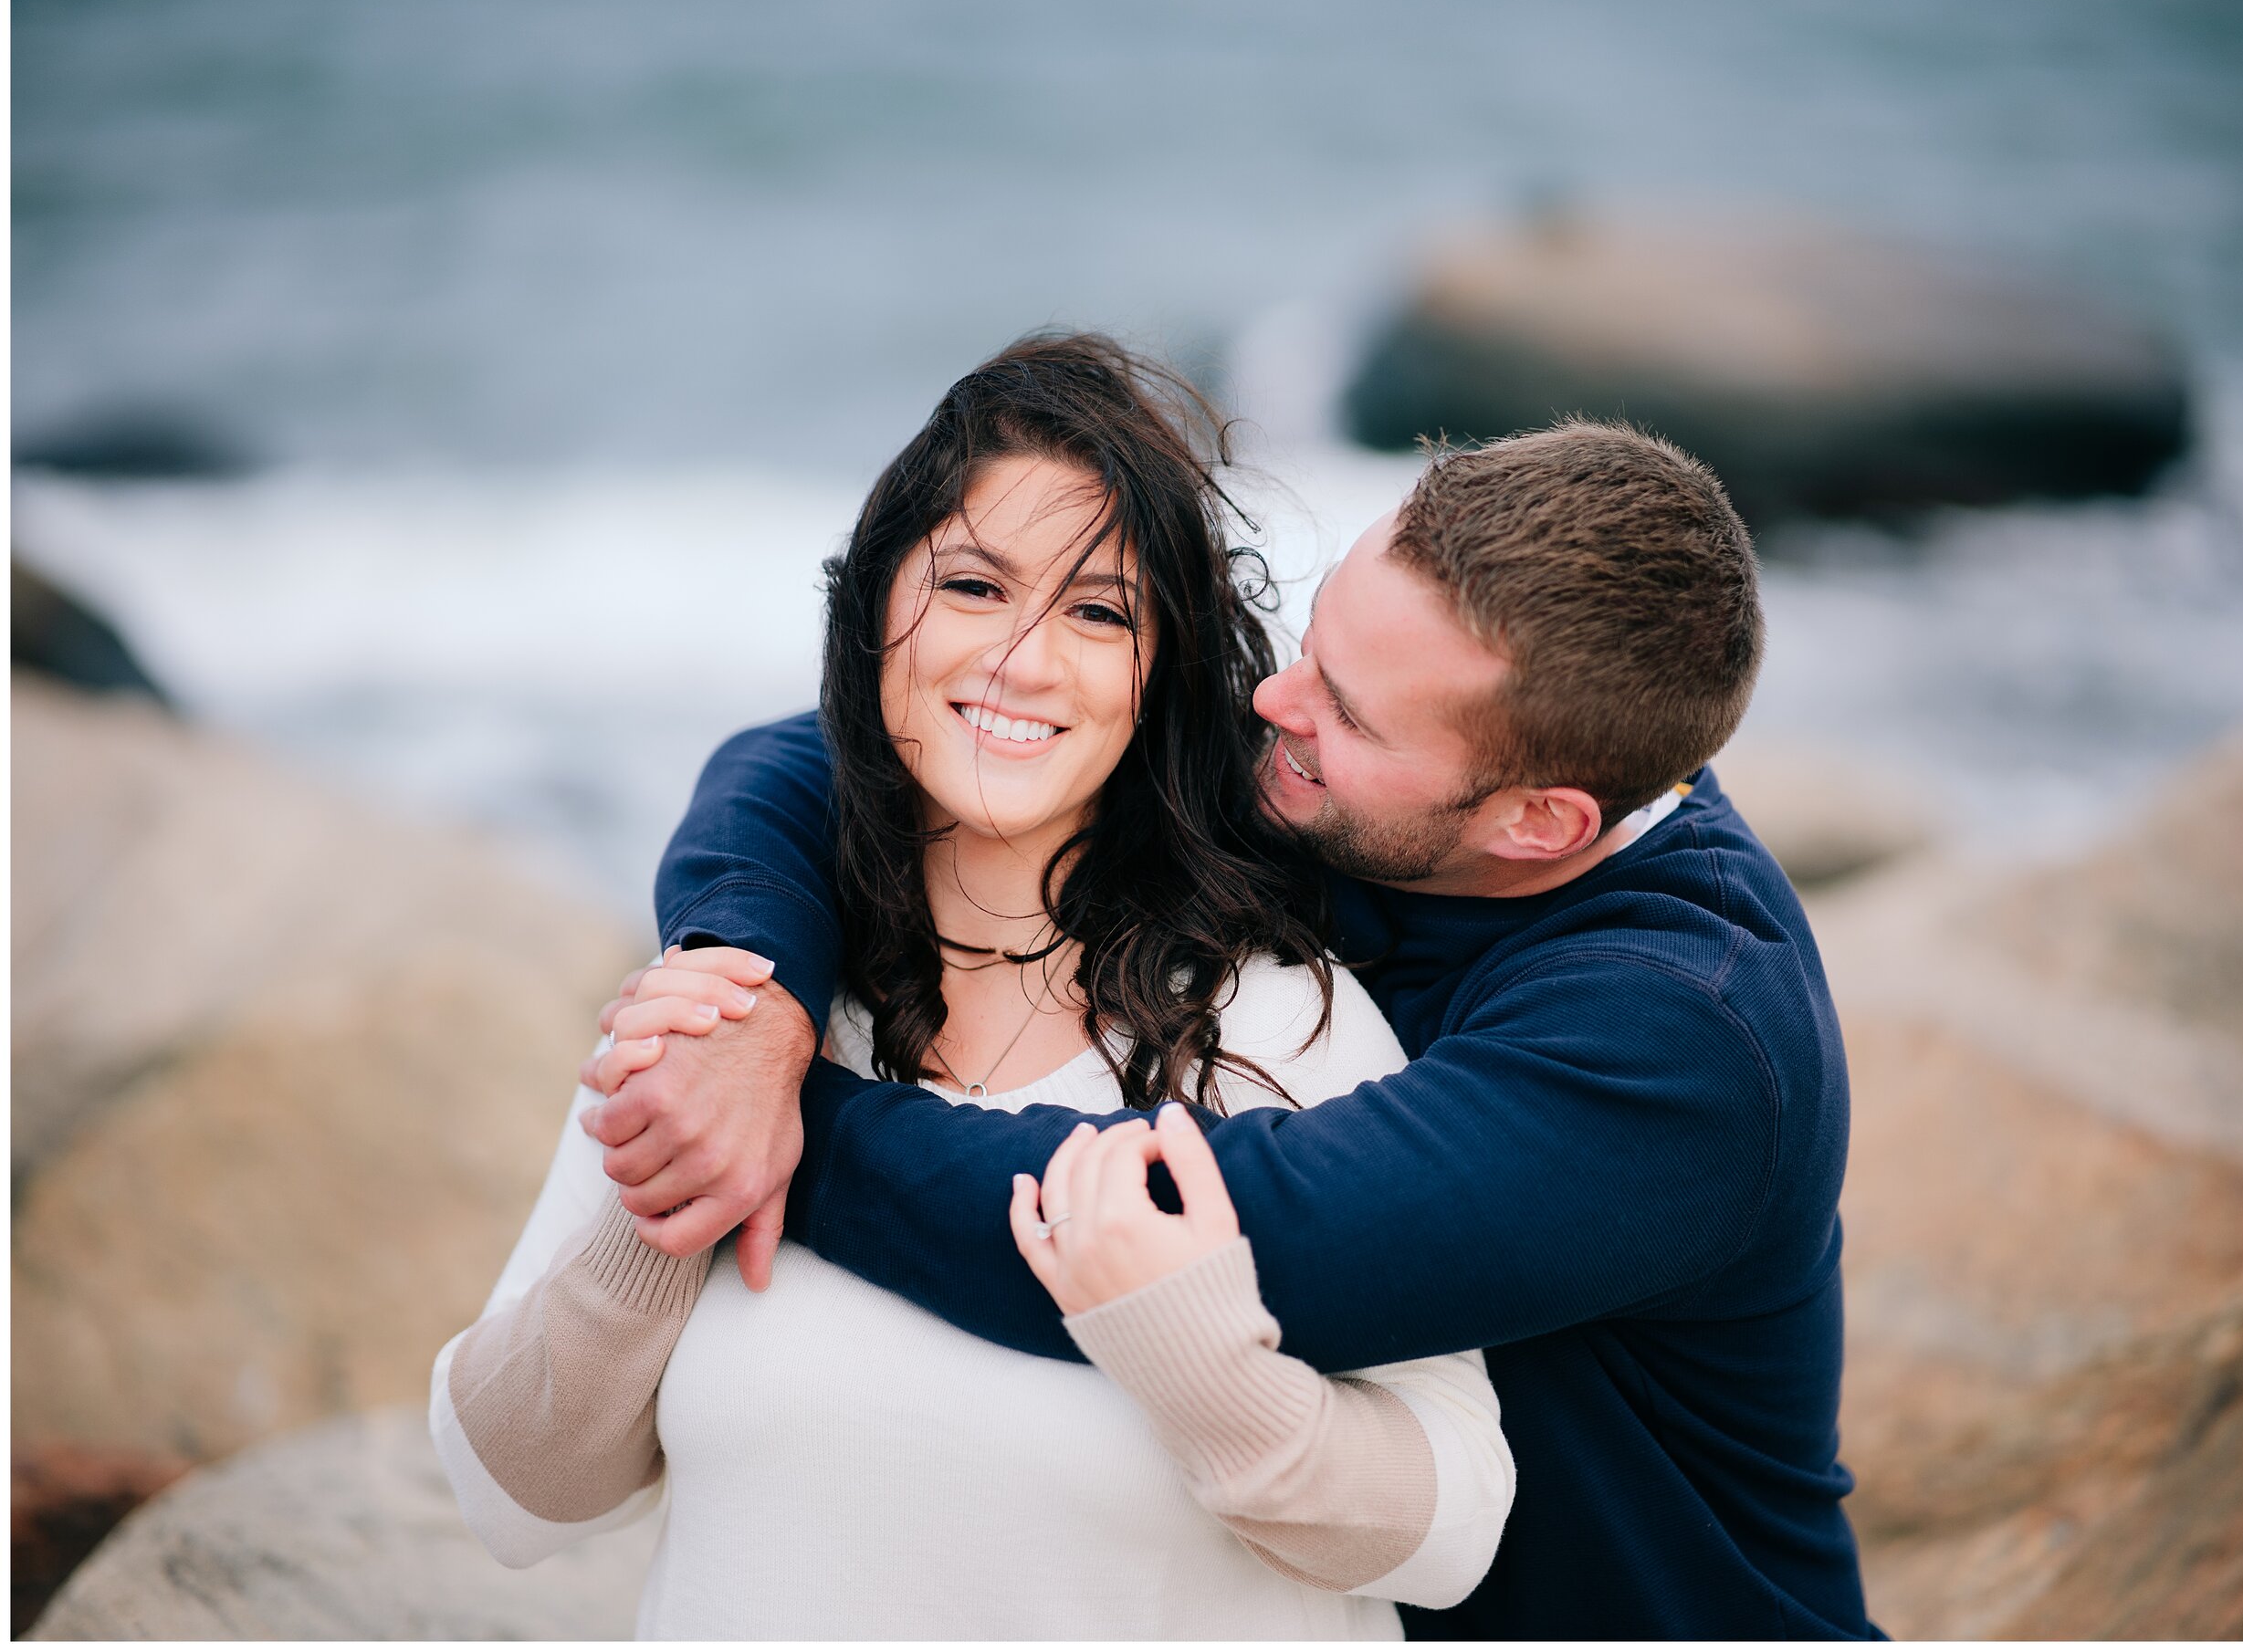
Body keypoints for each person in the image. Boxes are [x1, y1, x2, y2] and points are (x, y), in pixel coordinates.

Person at [585, 412, 1882, 1639]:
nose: (1274, 702)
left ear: (1539, 822)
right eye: (1316, 640)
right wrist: (744, 996)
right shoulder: (1335, 762)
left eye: (1350, 714)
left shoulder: (1690, 1039)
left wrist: (778, 1118)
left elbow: (1169, 1235)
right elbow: (822, 759)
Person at [430, 334, 1515, 1638]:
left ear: (1161, 677)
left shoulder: (1281, 1028)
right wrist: (671, 1200)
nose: (1023, 658)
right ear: (877, 603)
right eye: (974, 585)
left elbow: (1456, 1533)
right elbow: (516, 1497)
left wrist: (1202, 1362)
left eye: (1100, 612)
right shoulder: (734, 1007)